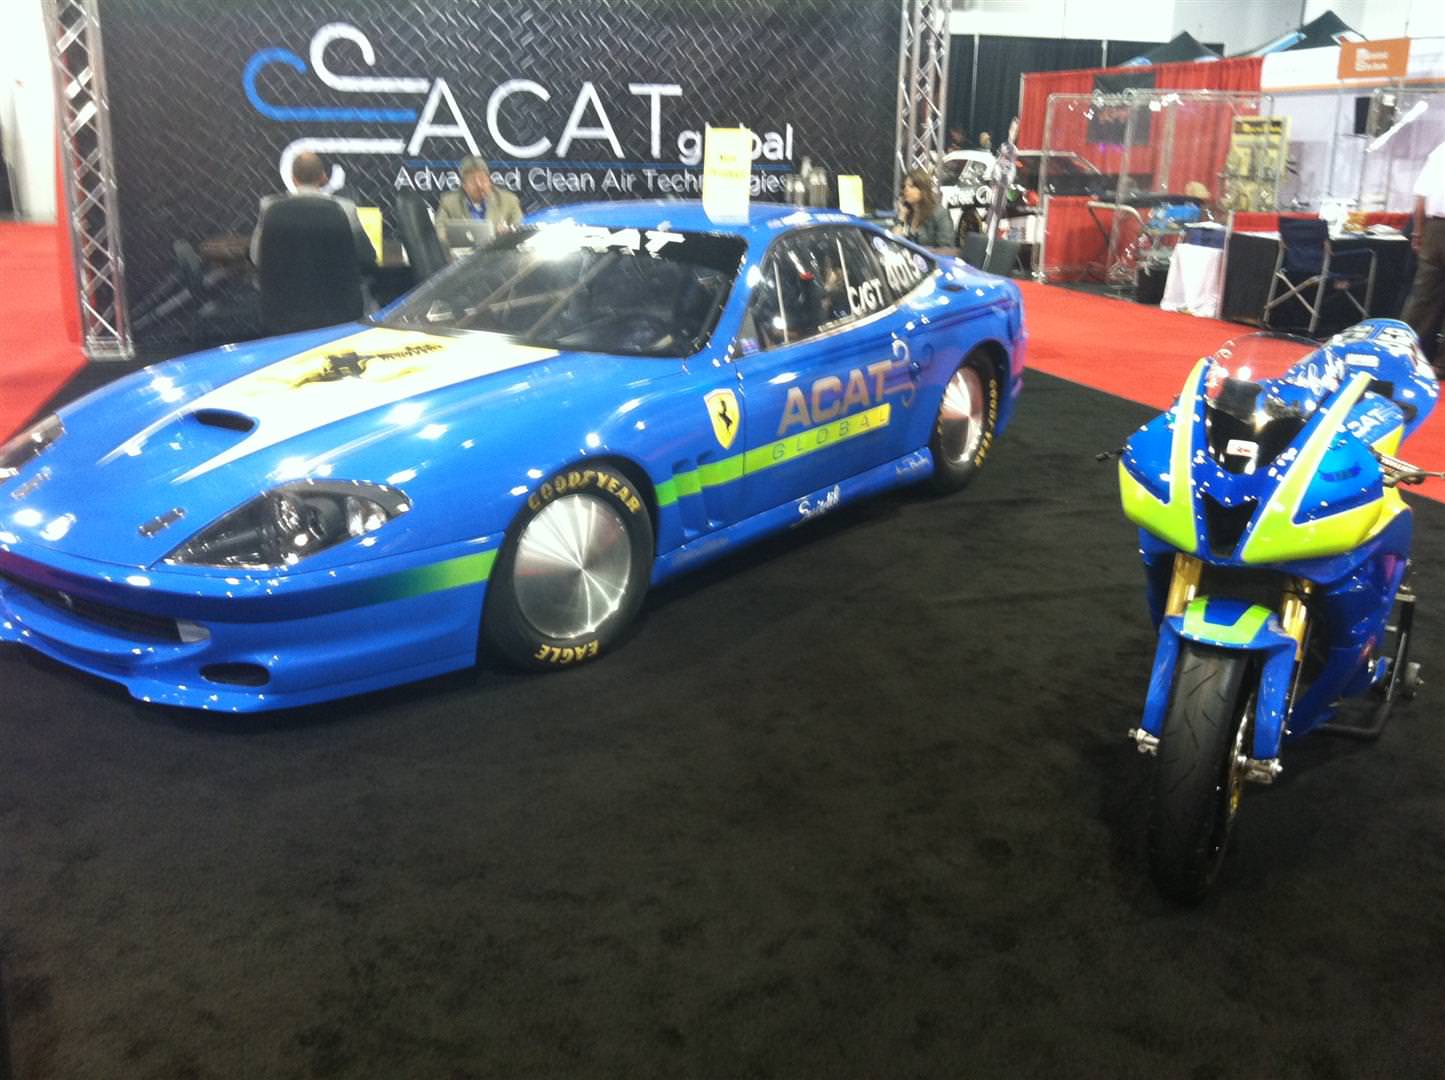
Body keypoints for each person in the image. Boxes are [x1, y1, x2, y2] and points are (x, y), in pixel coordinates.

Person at [250, 152, 376, 270]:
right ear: (323, 178)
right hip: (333, 285)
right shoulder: (346, 208)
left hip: (284, 285)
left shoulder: (270, 207)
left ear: (294, 179)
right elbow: (367, 256)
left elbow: (257, 258)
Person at [1400, 138, 1445, 369]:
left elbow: (1420, 195)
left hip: (1434, 228)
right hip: (1434, 228)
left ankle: (1405, 357)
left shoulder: (1440, 150)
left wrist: (1418, 232)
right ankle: (1441, 364)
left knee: (1422, 297)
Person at [434, 156, 523, 244]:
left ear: (489, 181)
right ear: (464, 186)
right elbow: (440, 231)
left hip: (499, 251)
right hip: (466, 252)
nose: (479, 185)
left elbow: (518, 227)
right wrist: (452, 238)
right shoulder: (449, 203)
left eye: (482, 180)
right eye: (473, 182)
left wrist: (508, 232)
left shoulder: (509, 200)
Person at [893, 167, 954, 248]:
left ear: (922, 190)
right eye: (904, 186)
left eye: (911, 186)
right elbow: (894, 242)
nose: (906, 190)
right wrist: (902, 216)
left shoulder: (940, 214)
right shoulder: (907, 212)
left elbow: (946, 248)